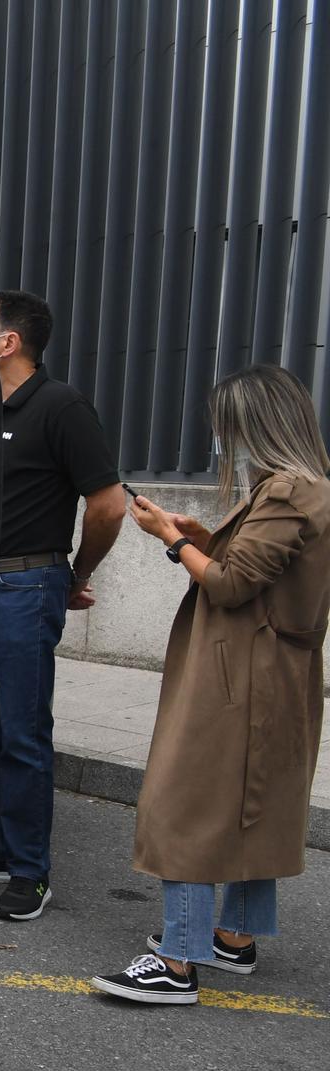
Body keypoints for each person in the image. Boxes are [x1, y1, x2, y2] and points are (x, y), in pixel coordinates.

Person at [91, 365, 330, 1004]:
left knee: (184, 803)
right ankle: (233, 938)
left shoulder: (286, 492)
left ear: (259, 425)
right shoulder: (306, 488)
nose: (225, 441)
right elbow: (251, 566)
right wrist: (202, 536)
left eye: (230, 428)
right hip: (271, 667)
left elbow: (229, 585)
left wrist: (171, 540)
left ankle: (177, 962)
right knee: (253, 805)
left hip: (240, 672)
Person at [0, 290, 126, 921]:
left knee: (22, 733)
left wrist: (75, 573)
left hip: (26, 586)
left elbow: (108, 503)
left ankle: (31, 870)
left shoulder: (61, 406)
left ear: (8, 343)